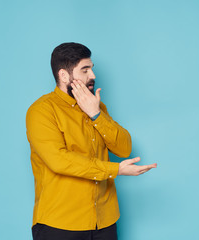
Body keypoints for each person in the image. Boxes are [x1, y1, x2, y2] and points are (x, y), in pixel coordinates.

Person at [26, 42, 157, 240]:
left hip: (104, 222)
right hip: (60, 223)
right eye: (85, 70)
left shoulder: (97, 107)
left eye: (91, 69)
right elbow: (59, 160)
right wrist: (116, 170)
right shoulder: (41, 111)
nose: (93, 76)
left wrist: (96, 114)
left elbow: (124, 148)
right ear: (63, 75)